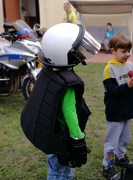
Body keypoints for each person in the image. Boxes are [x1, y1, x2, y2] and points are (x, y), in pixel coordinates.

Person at [21, 23, 101, 179]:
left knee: (59, 164)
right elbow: (70, 114)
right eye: (76, 51)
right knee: (58, 168)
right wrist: (78, 139)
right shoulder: (67, 84)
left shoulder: (49, 70)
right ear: (64, 53)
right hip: (61, 136)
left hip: (51, 131)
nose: (80, 53)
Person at [102, 32, 133, 179]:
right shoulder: (109, 69)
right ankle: (108, 165)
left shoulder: (129, 64)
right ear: (113, 51)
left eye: (129, 50)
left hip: (127, 110)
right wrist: (128, 85)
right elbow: (112, 92)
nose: (127, 54)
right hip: (115, 111)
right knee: (112, 142)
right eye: (123, 51)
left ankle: (120, 157)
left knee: (125, 138)